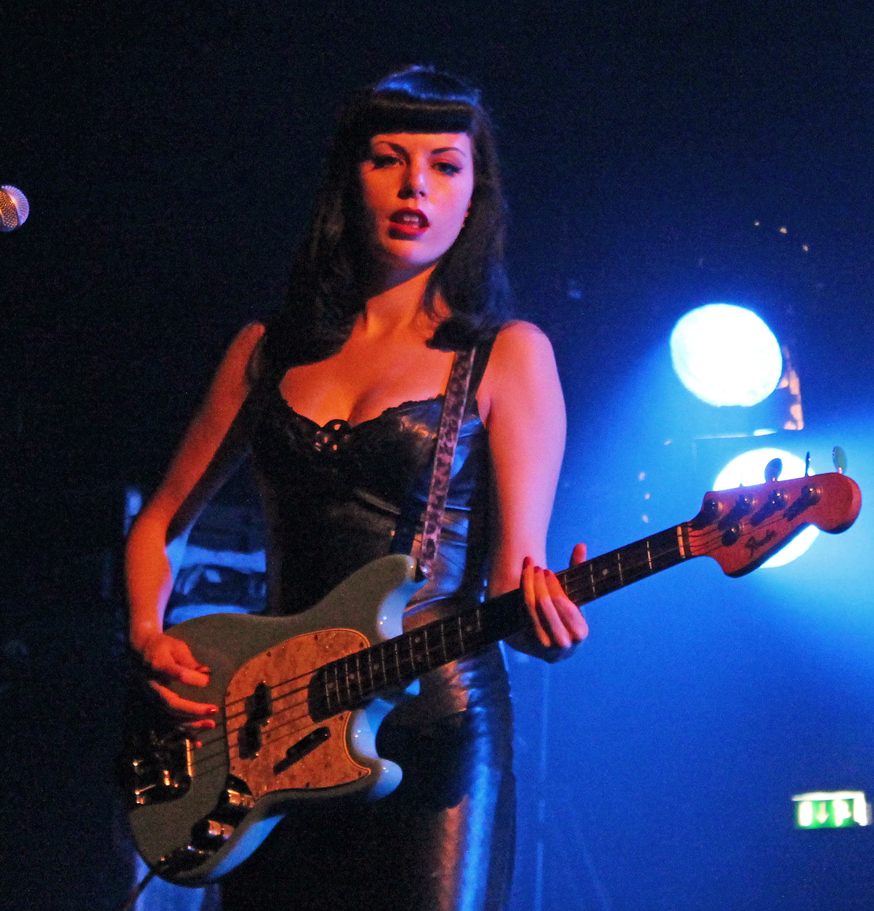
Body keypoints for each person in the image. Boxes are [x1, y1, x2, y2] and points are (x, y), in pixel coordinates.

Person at [125, 66, 589, 911]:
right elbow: (158, 525)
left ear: (476, 191)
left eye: (446, 165)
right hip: (266, 734)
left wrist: (547, 622)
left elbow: (514, 583)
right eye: (390, 159)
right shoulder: (265, 352)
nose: (417, 185)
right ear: (351, 175)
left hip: (435, 734)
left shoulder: (508, 356)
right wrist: (151, 637)